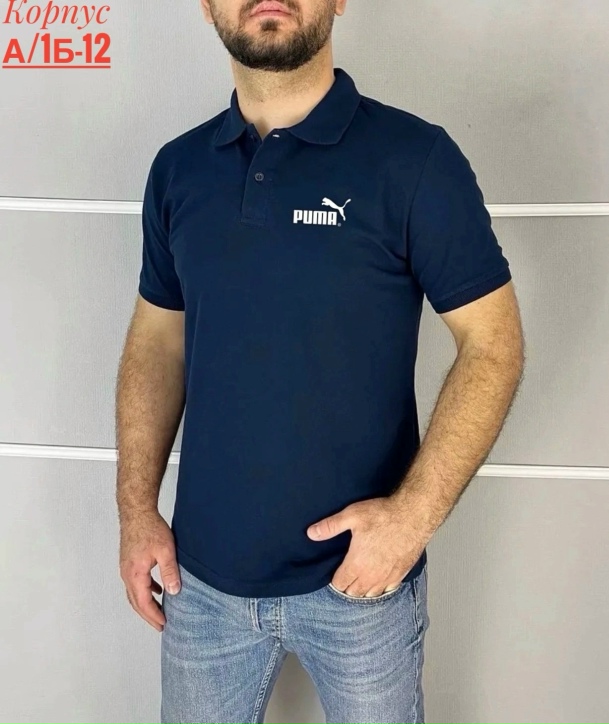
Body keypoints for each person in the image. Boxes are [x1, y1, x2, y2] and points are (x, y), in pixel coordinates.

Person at [115, 1, 525, 722]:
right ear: (206, 5)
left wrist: (410, 520)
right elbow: (158, 342)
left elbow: (493, 343)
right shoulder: (177, 170)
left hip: (361, 591)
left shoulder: (415, 160)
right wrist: (135, 511)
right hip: (200, 586)